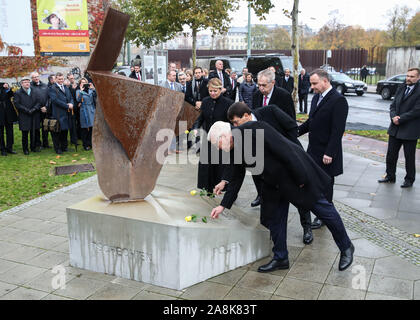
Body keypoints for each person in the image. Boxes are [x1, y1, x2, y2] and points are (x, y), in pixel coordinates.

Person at [208, 121, 354, 272]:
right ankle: (280, 258)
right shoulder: (233, 147)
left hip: (294, 176)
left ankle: (346, 247)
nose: (217, 148)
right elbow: (237, 176)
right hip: (273, 182)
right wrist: (223, 205)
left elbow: (285, 150)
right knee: (275, 218)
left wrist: (302, 179)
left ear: (225, 136)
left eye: (216, 144)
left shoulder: (255, 129)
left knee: (323, 210)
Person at [214, 102, 314, 244]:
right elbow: (236, 164)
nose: (235, 127)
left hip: (287, 163)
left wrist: (286, 150)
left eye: (236, 122)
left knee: (301, 199)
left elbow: (292, 127)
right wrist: (225, 180)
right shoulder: (241, 131)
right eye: (233, 124)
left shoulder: (271, 112)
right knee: (269, 205)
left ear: (246, 116)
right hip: (264, 172)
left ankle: (307, 227)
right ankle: (274, 239)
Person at [298, 68, 349, 229]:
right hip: (313, 150)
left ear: (325, 81)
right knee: (311, 182)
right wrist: (295, 132)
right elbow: (310, 122)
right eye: (311, 84)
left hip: (327, 153)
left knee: (326, 185)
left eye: (314, 83)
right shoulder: (316, 98)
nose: (312, 87)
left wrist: (329, 152)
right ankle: (317, 210)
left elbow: (337, 130)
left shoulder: (338, 100)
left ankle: (324, 216)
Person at [378, 68, 420, 188]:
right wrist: (393, 117)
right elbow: (393, 105)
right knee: (391, 154)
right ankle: (390, 176)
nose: (408, 78)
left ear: (418, 78)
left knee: (409, 156)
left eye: (412, 76)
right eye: (407, 76)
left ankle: (409, 179)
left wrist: (400, 119)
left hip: (410, 129)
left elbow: (417, 111)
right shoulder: (401, 87)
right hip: (395, 127)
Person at [191, 78, 233, 192]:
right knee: (206, 165)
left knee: (221, 165)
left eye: (215, 91)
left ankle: (223, 188)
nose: (213, 93)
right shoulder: (205, 101)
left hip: (222, 140)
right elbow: (201, 118)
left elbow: (232, 122)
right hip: (208, 138)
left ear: (220, 90)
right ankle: (207, 188)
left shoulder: (228, 103)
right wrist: (195, 128)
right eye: (210, 91)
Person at [14, 77, 41, 155]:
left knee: (34, 132)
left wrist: (34, 109)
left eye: (28, 82)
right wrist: (27, 110)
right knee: (25, 133)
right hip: (24, 115)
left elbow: (39, 102)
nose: (27, 83)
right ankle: (25, 149)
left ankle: (33, 147)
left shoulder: (34, 91)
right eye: (25, 82)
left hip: (34, 114)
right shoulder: (18, 93)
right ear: (22, 84)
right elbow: (17, 104)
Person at [49, 72, 74, 154]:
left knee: (65, 131)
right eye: (59, 79)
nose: (61, 80)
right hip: (58, 113)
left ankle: (64, 147)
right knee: (57, 132)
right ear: (55, 79)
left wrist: (71, 104)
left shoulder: (66, 87)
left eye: (62, 79)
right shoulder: (52, 88)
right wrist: (67, 106)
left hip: (66, 114)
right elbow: (55, 100)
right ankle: (58, 148)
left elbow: (70, 97)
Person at [30, 72, 51, 149]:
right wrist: (38, 107)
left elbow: (49, 98)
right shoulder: (30, 86)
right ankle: (38, 143)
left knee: (45, 127)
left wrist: (46, 106)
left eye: (37, 76)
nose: (36, 78)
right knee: (36, 128)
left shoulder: (45, 86)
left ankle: (45, 143)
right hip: (36, 110)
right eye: (34, 77)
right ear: (32, 78)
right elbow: (30, 99)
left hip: (45, 110)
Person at [76, 78, 96, 151]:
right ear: (80, 84)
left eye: (85, 83)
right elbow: (78, 100)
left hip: (91, 110)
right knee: (84, 128)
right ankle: (85, 144)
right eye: (82, 83)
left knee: (91, 128)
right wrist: (81, 91)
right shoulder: (78, 91)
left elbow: (96, 95)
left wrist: (93, 88)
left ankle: (91, 143)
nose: (83, 84)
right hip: (84, 111)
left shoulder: (91, 90)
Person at [0, 82, 18, 156]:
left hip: (8, 112)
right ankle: (2, 149)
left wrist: (8, 88)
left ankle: (9, 147)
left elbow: (11, 94)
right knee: (0, 133)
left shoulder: (4, 85)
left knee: (10, 131)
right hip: (0, 112)